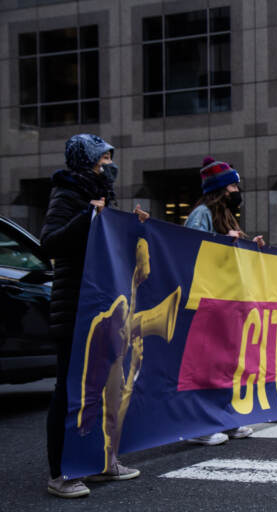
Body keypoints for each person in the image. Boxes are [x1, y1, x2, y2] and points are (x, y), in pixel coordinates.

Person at [41, 134, 146, 498]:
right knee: (70, 391)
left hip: (101, 307)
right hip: (74, 307)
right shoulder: (68, 194)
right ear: (86, 161)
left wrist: (132, 226)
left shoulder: (98, 198)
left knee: (104, 387)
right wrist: (90, 216)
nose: (108, 165)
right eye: (103, 159)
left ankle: (100, 461)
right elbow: (50, 242)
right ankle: (62, 473)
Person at [184, 156, 264, 445]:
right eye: (232, 186)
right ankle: (199, 425)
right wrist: (224, 242)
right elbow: (189, 250)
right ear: (220, 189)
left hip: (226, 300)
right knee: (206, 365)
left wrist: (247, 244)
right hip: (208, 300)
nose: (236, 191)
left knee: (225, 362)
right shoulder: (202, 214)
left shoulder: (224, 216)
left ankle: (223, 418)